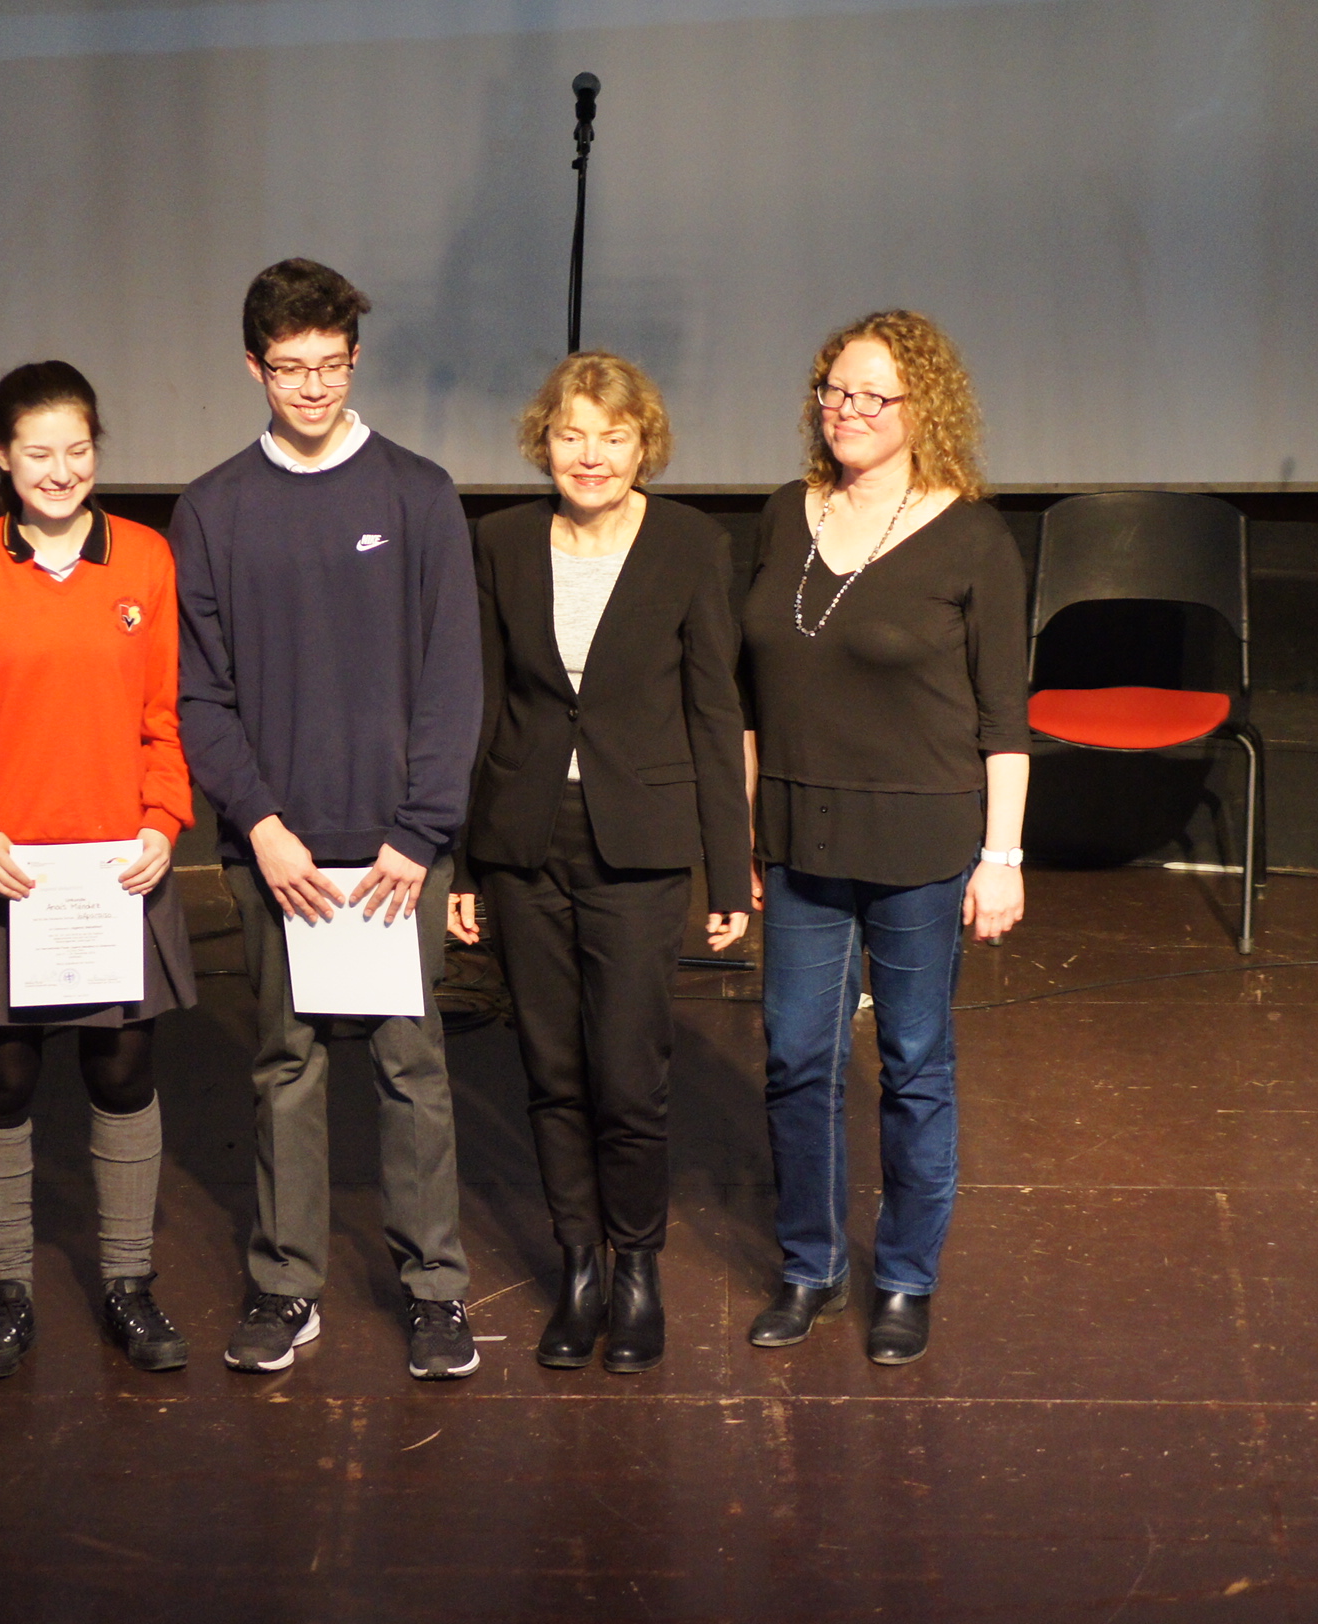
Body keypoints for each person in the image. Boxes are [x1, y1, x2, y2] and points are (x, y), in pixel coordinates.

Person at [173, 258, 486, 1381]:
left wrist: (421, 832)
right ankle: (284, 1283)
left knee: (413, 1071)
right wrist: (259, 825)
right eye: (290, 367)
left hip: (398, 850)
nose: (312, 386)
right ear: (253, 367)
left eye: (331, 364)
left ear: (355, 358)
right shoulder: (213, 509)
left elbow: (454, 678)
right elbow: (198, 692)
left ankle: (435, 1291)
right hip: (281, 854)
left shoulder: (418, 493)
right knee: (284, 1068)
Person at [446, 353, 752, 1374]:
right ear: (545, 441)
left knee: (629, 1074)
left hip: (642, 843)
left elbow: (714, 711)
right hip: (523, 840)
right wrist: (463, 864)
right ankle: (579, 1267)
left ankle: (636, 1269)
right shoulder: (499, 542)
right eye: (572, 434)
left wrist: (729, 868)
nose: (591, 455)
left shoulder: (691, 545)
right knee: (551, 1068)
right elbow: (484, 707)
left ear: (643, 445)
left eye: (613, 437)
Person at [738, 310, 1029, 1366]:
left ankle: (905, 1276)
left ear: (922, 407)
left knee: (913, 1062)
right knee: (796, 1058)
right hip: (800, 835)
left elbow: (1004, 717)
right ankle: (810, 1267)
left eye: (874, 395)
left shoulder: (973, 537)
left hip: (922, 839)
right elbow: (751, 699)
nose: (849, 411)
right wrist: (749, 834)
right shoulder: (783, 515)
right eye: (835, 390)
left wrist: (1003, 858)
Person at [0, 361, 196, 1380]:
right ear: (2, 456)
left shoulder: (145, 559)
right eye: (39, 452)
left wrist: (163, 820)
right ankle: (6, 1293)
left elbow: (165, 718)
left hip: (118, 873)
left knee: (122, 1072)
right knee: (3, 1077)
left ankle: (128, 1283)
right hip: (9, 874)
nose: (61, 470)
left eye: (78, 450)